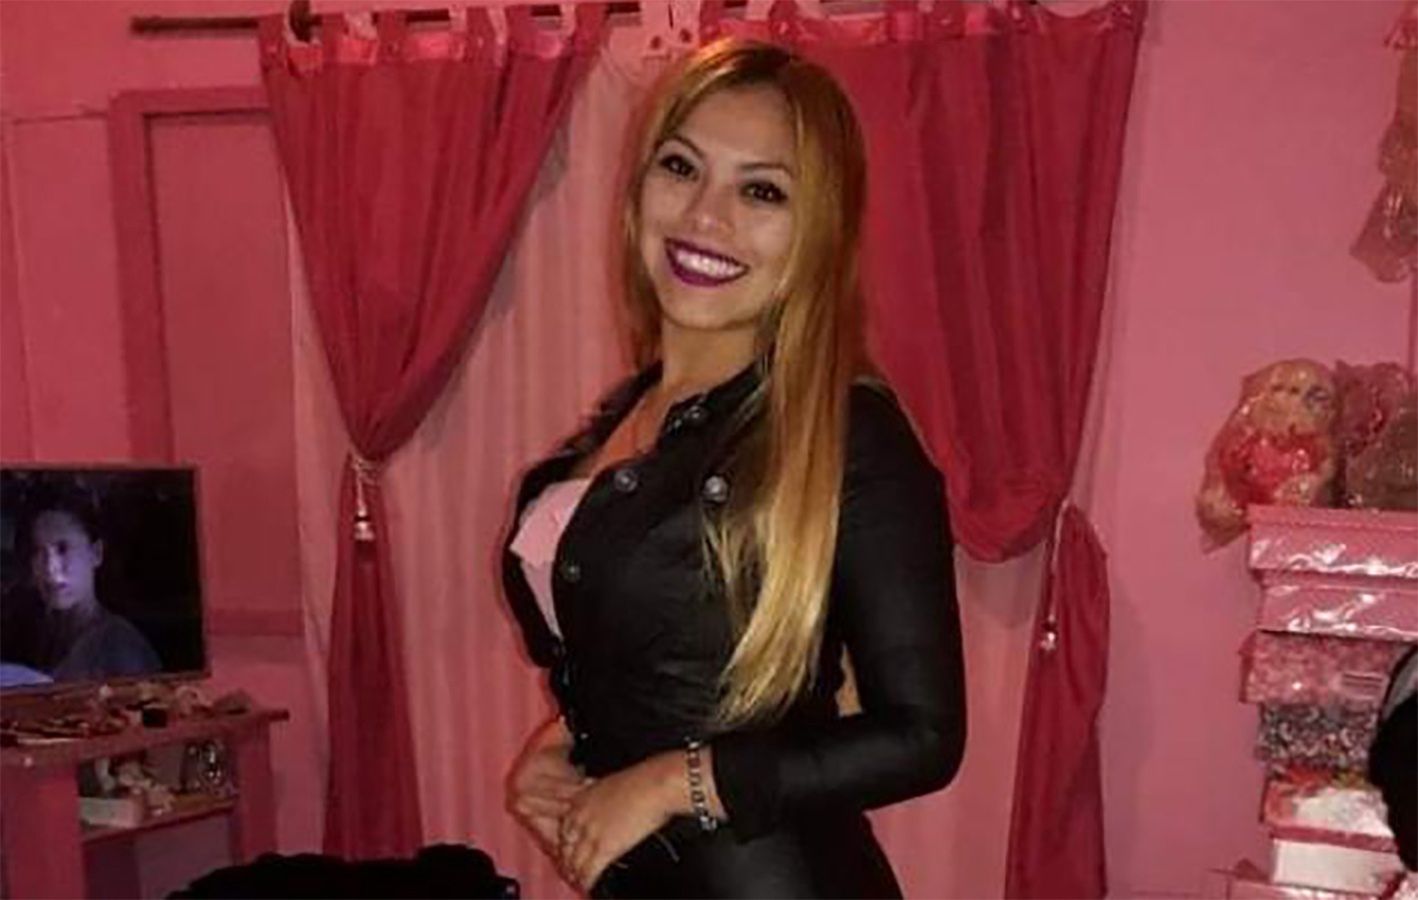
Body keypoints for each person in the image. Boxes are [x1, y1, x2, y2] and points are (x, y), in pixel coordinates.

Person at [502, 37, 966, 898]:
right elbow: (667, 661)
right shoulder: (628, 420)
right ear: (639, 187)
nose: (706, 217)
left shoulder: (847, 431)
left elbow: (923, 735)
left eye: (762, 191)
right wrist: (568, 739)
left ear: (818, 229)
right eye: (681, 167)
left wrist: (665, 784)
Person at [18, 484, 161, 683]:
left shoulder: (121, 647)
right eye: (38, 552)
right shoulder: (32, 635)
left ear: (95, 553)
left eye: (63, 549)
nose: (50, 568)